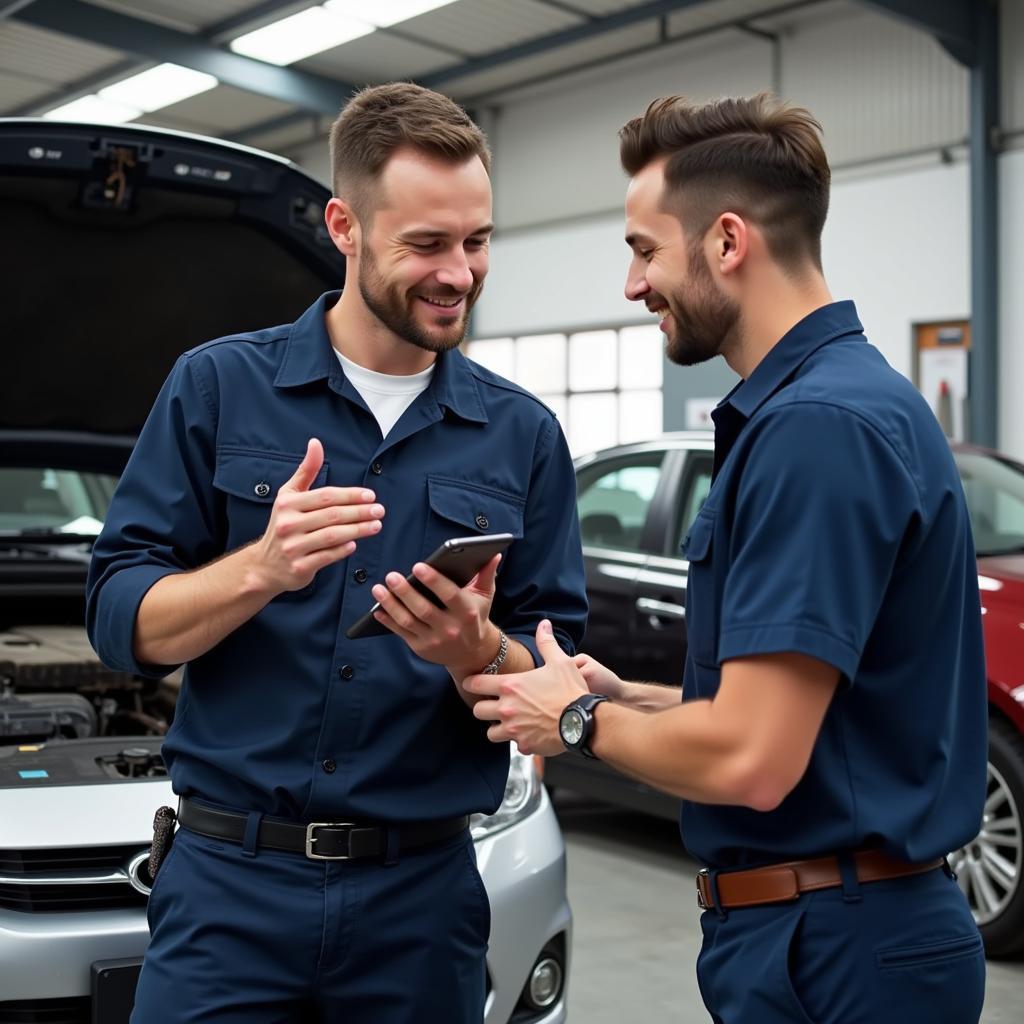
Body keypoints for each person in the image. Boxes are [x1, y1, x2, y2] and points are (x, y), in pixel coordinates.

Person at [467, 93, 987, 1023]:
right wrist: (627, 698)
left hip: (837, 950)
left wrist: (580, 722)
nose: (632, 286)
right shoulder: (840, 405)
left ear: (727, 242)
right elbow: (813, 718)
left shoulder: (816, 430)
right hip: (842, 930)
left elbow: (754, 759)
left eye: (642, 249)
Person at [86, 82, 587, 1024]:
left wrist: (476, 653)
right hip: (228, 891)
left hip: (422, 902)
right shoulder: (218, 387)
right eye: (426, 245)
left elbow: (557, 679)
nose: (460, 273)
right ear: (344, 227)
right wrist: (258, 570)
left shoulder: (522, 436)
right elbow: (118, 620)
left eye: (477, 241)